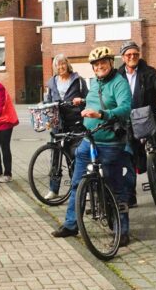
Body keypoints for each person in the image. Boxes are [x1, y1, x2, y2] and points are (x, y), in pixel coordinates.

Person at [51, 47, 133, 246]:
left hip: (110, 143)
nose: (99, 67)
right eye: (95, 64)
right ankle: (71, 224)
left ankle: (122, 231)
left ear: (111, 63)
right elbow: (94, 100)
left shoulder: (119, 83)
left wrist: (102, 115)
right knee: (77, 184)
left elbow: (125, 108)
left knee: (115, 188)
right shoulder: (95, 82)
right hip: (89, 140)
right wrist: (83, 101)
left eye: (102, 62)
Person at [117, 40, 156, 208]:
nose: (132, 57)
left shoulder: (149, 72)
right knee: (129, 158)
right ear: (123, 57)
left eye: (135, 54)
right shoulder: (118, 75)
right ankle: (130, 196)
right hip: (129, 121)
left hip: (150, 117)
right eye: (128, 54)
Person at [42, 54, 88, 200]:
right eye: (58, 64)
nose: (61, 67)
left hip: (75, 124)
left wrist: (81, 101)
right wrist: (47, 117)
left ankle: (78, 189)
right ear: (54, 67)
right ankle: (53, 189)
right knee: (55, 157)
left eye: (63, 64)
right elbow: (48, 102)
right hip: (58, 124)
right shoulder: (52, 83)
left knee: (74, 156)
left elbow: (88, 98)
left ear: (67, 64)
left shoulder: (78, 81)